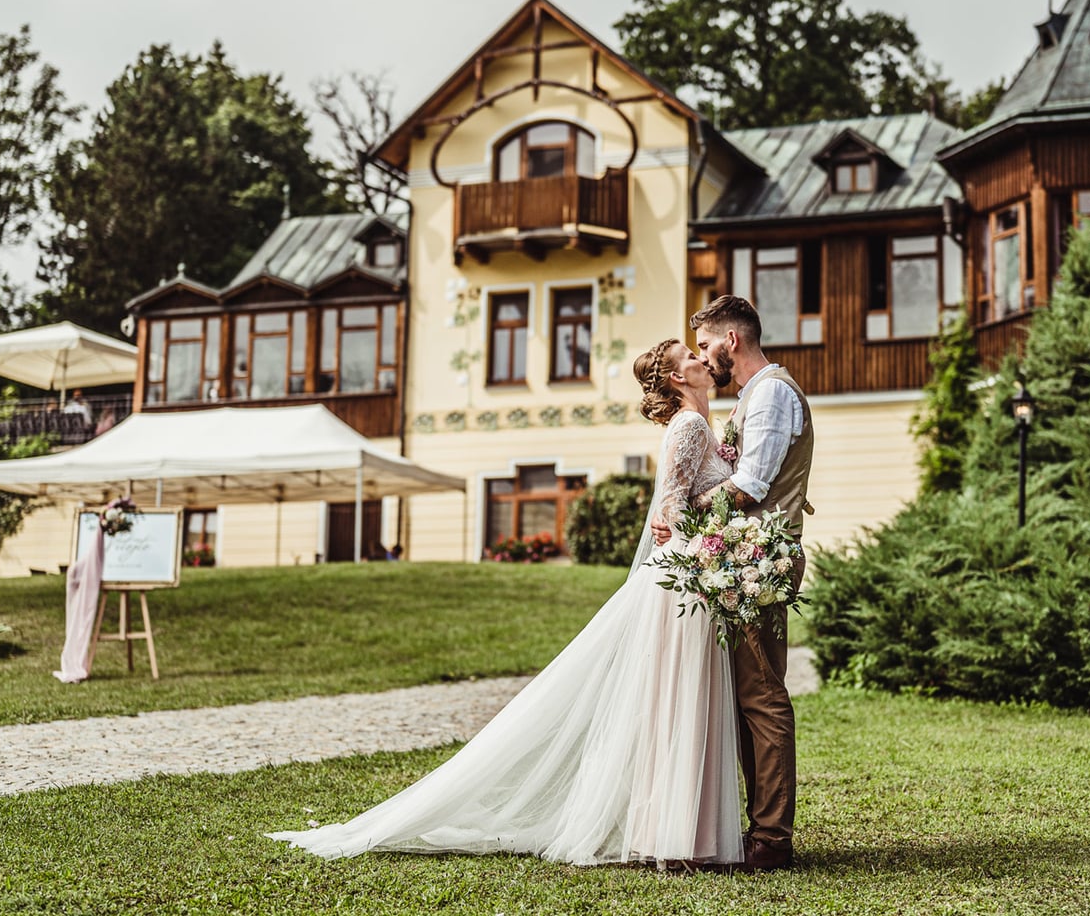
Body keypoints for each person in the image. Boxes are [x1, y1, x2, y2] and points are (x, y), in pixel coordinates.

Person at [268, 339, 743, 869]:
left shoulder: (705, 426)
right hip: (683, 576)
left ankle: (676, 833)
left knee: (679, 701)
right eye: (691, 357)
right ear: (679, 379)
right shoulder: (691, 426)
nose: (704, 360)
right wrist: (713, 527)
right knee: (680, 699)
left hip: (691, 571)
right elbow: (673, 505)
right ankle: (679, 837)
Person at [652, 294, 814, 872]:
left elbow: (748, 487)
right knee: (750, 695)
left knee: (762, 695)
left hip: (758, 559)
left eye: (706, 345)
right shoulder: (755, 396)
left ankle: (770, 838)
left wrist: (685, 510)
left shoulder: (770, 392)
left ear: (732, 342)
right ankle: (757, 828)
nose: (703, 356)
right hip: (742, 558)